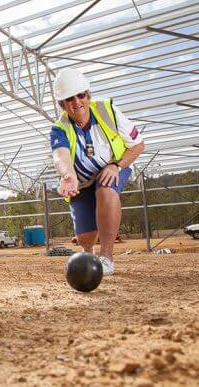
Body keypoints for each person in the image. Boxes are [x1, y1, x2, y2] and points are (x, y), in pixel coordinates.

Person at [50, 68, 144, 275]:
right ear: (63, 105)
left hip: (113, 167)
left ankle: (107, 258)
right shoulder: (59, 128)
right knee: (86, 236)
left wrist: (117, 165)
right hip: (81, 182)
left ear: (88, 95)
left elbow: (138, 145)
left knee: (105, 189)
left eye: (80, 95)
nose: (76, 102)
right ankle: (89, 252)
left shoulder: (108, 111)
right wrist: (68, 176)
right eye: (69, 99)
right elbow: (61, 155)